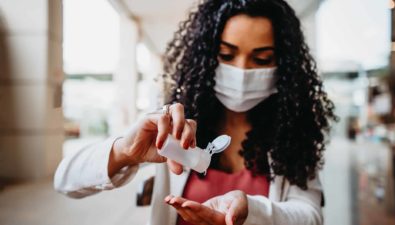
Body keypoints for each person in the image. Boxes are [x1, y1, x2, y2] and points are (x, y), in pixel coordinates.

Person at [54, 0, 337, 224]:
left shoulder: (292, 132)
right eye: (226, 55)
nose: (242, 70)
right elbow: (66, 181)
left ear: (283, 67)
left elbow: (310, 216)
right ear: (206, 56)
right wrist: (124, 151)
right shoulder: (175, 122)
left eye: (261, 59)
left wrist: (252, 212)